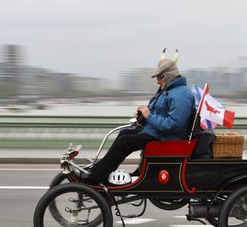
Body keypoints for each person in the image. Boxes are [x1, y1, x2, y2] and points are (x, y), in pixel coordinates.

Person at [78, 49, 195, 184]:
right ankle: (104, 172)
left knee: (125, 141)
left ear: (168, 75)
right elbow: (159, 114)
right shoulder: (169, 91)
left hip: (167, 138)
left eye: (159, 77)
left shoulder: (180, 95)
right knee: (124, 134)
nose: (157, 81)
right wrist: (142, 117)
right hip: (159, 133)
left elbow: (173, 125)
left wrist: (149, 116)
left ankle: (97, 176)